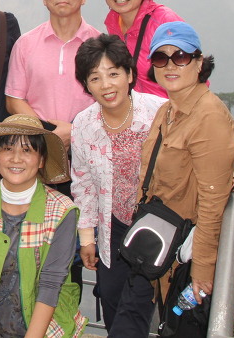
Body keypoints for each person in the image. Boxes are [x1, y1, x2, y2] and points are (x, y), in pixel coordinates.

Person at [0, 115, 87, 338]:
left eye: (27, 150)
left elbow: (51, 284)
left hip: (46, 331)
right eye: (7, 149)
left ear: (41, 160)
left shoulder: (62, 211)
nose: (16, 158)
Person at [70, 35, 168, 335]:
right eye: (95, 78)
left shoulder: (160, 112)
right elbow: (83, 183)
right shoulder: (84, 124)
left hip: (155, 225)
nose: (106, 85)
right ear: (86, 85)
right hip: (113, 227)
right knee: (112, 301)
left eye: (113, 73)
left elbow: (204, 143)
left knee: (134, 310)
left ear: (129, 75)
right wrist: (87, 238)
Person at [141, 21, 234, 305]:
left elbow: (212, 201)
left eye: (181, 56)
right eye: (161, 58)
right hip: (165, 244)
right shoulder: (166, 110)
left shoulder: (208, 115)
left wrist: (203, 267)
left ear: (199, 63)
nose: (170, 65)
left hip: (187, 256)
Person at [6, 0, 100, 148]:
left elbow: (112, 99)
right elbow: (14, 100)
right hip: (39, 146)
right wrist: (47, 135)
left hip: (91, 145)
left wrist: (75, 131)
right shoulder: (25, 44)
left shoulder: (100, 45)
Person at [86, 0, 182, 99]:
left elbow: (192, 76)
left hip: (169, 110)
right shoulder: (113, 22)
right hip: (134, 111)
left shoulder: (164, 22)